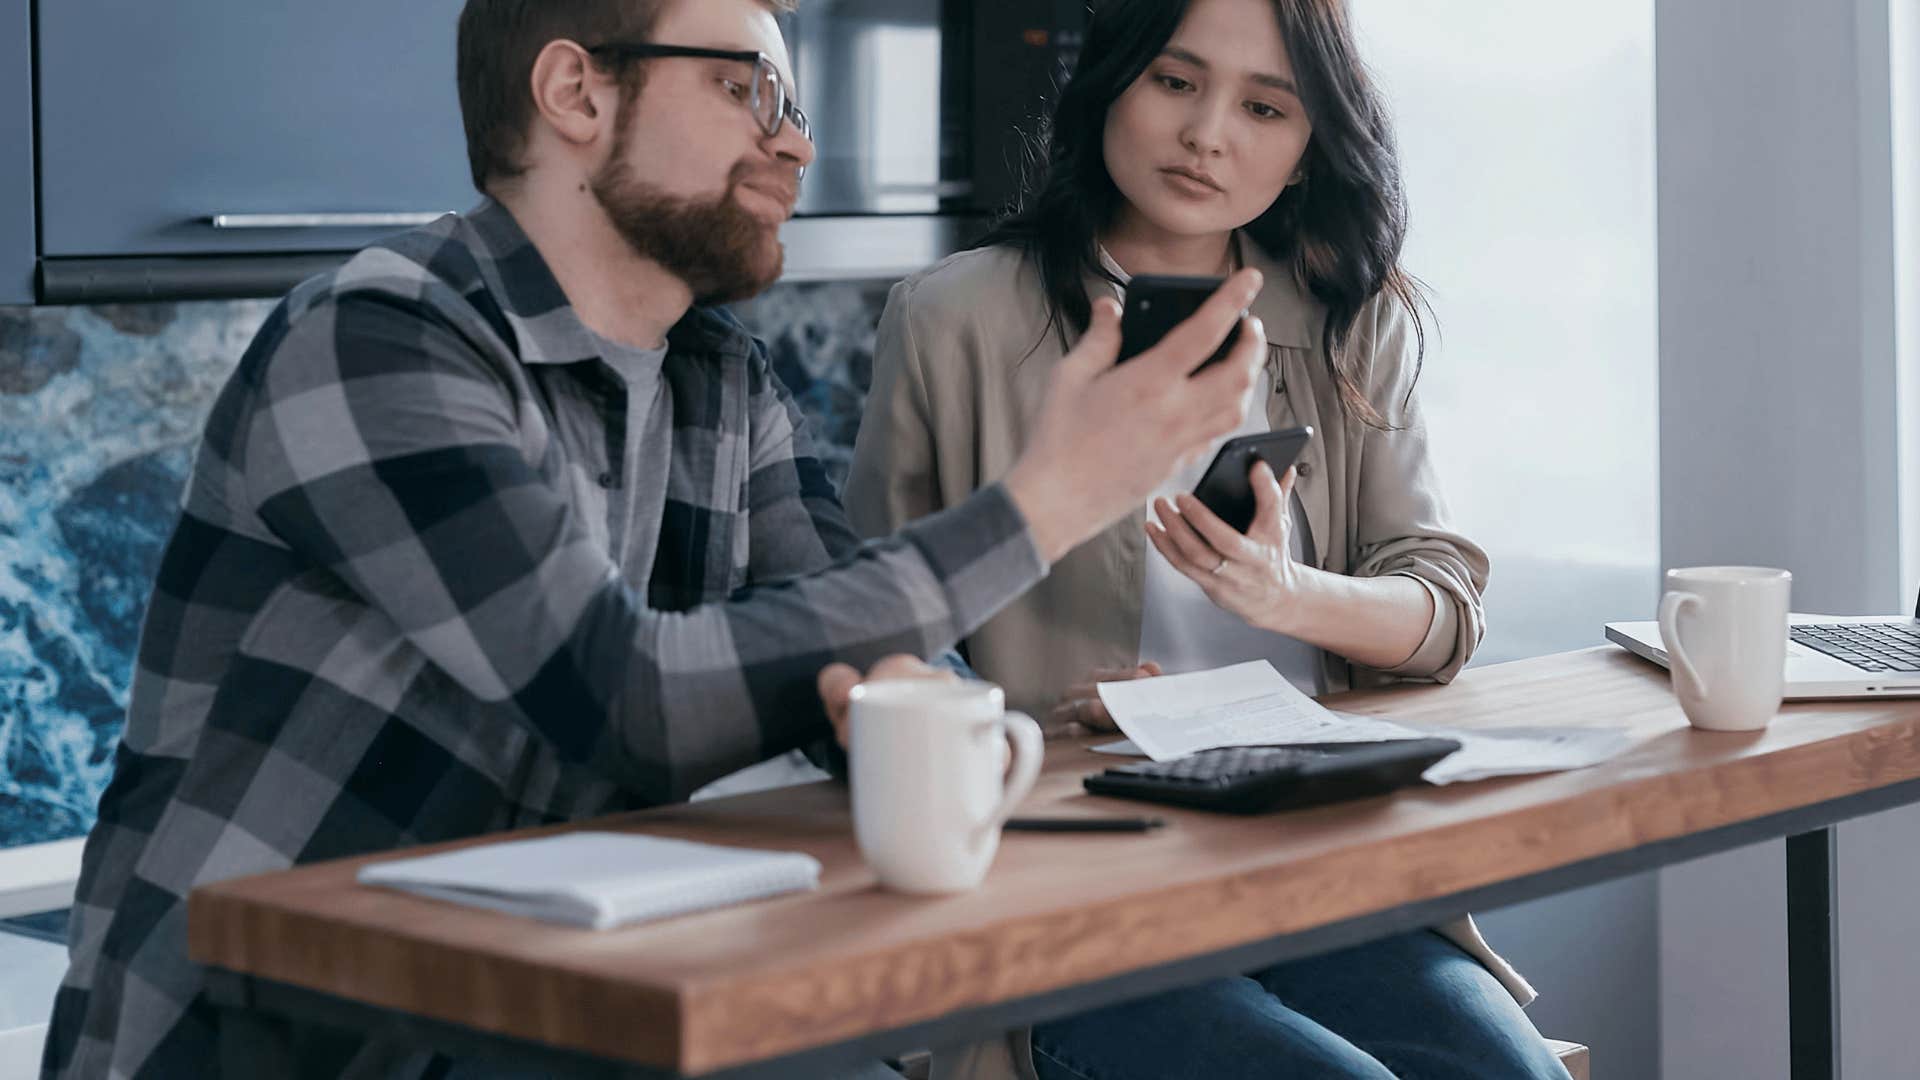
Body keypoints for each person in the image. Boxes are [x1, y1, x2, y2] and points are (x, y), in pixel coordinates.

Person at [40, 1, 1271, 1076]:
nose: (794, 141)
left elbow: (845, 634)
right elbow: (626, 693)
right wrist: (1053, 495)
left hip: (558, 1009)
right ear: (578, 90)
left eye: (796, 100)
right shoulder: (376, 340)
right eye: (749, 88)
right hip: (282, 1044)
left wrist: (962, 706)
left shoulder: (719, 379)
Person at [845, 0, 1568, 1077]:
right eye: (1175, 82)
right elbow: (874, 635)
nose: (1207, 133)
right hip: (1072, 908)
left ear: (1308, 149)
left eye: (1264, 106)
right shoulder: (953, 320)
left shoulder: (1344, 320)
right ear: (1114, 81)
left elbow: (1442, 613)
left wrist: (1290, 597)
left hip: (1323, 874)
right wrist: (1027, 719)